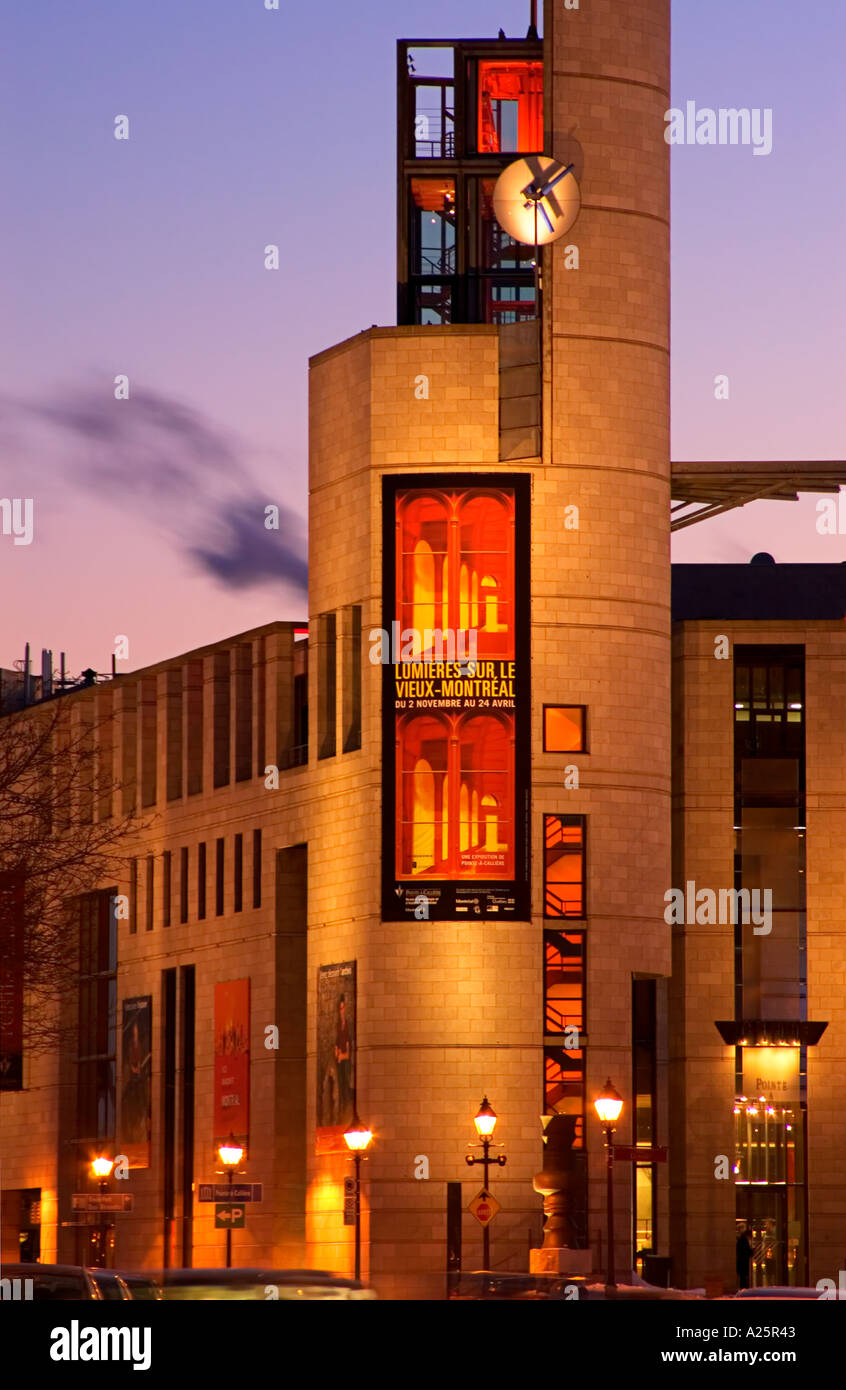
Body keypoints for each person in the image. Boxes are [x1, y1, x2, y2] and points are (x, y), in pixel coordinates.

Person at [334, 995, 352, 1124]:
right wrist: (337, 1050)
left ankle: (347, 1108)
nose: (341, 1011)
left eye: (343, 1008)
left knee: (346, 1081)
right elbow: (337, 1039)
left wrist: (344, 1055)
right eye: (340, 1008)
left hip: (346, 1059)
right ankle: (342, 1107)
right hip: (340, 1058)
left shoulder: (348, 1025)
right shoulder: (338, 1025)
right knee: (340, 1082)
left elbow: (349, 1043)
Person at [736, 1225, 754, 1289]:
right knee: (743, 1278)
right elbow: (746, 1251)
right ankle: (744, 1289)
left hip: (741, 1261)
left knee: (742, 1277)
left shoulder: (740, 1239)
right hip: (743, 1261)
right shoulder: (744, 1240)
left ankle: (743, 1288)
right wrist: (752, 1251)